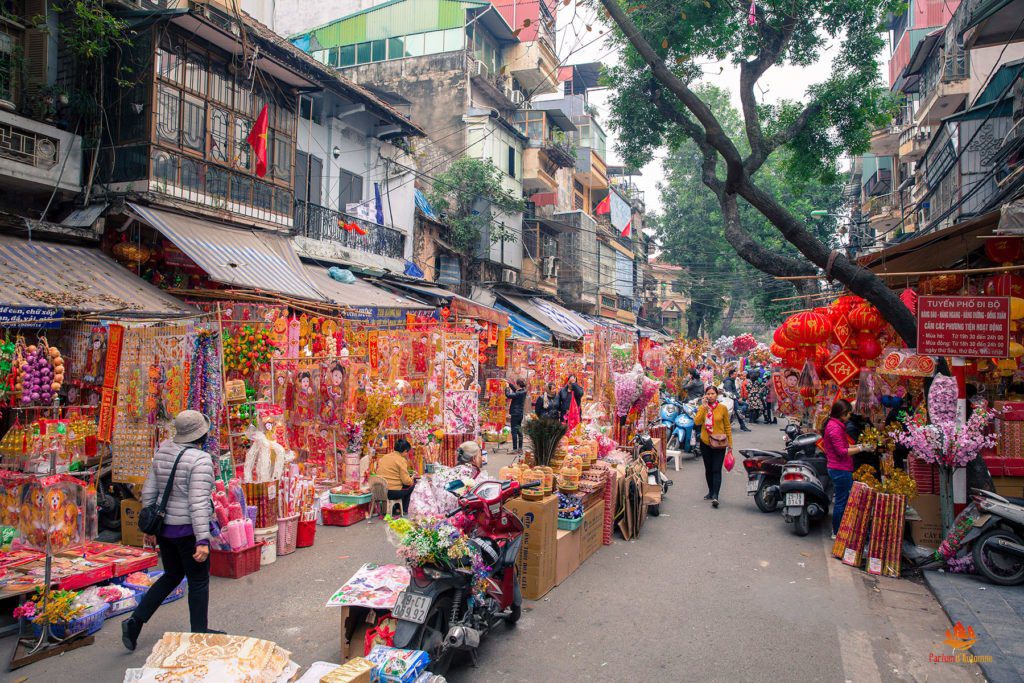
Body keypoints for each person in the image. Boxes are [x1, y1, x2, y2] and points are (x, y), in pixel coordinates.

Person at [122, 410, 219, 651]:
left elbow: (150, 491)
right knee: (198, 580)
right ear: (202, 434)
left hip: (166, 529)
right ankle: (199, 633)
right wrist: (202, 540)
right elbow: (198, 502)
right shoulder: (200, 459)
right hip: (188, 531)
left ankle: (135, 621)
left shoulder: (163, 450)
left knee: (172, 575)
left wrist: (150, 527)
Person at [821, 400, 868, 539]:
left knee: (842, 500)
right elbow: (842, 451)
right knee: (841, 502)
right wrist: (860, 449)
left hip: (839, 467)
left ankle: (838, 530)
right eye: (848, 413)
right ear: (842, 414)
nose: (849, 416)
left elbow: (845, 446)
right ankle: (837, 532)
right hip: (840, 469)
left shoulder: (836, 426)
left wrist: (860, 446)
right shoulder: (835, 428)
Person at [694, 386, 732, 508]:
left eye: (712, 393)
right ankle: (710, 491)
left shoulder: (723, 408)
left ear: (717, 395)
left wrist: (730, 444)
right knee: (708, 469)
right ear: (705, 395)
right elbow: (697, 422)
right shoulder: (702, 408)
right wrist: (704, 408)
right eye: (708, 394)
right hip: (705, 442)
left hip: (719, 443)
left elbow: (727, 427)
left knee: (716, 469)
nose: (710, 396)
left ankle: (715, 495)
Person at [377, 438, 416, 513]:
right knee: (413, 485)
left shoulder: (384, 457)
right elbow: (406, 481)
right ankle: (404, 509)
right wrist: (412, 478)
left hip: (380, 490)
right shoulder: (401, 460)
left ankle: (396, 508)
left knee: (403, 486)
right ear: (405, 451)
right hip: (392, 492)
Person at [505, 379, 527, 453]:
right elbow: (515, 390)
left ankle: (514, 449)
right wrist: (510, 384)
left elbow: (508, 395)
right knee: (519, 430)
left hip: (515, 413)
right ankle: (520, 448)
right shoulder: (523, 391)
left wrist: (507, 388)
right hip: (519, 413)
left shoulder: (519, 393)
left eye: (516, 384)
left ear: (518, 385)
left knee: (514, 431)